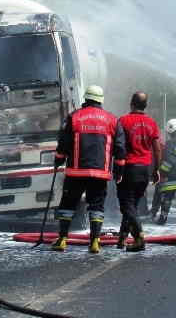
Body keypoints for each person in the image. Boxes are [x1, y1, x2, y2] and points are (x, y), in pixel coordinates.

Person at [51, 85, 126, 254]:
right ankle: (94, 242)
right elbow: (120, 148)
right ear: (101, 100)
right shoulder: (113, 120)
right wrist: (119, 171)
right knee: (97, 206)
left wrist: (58, 160)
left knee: (68, 204)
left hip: (76, 172)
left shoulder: (74, 117)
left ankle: (62, 239)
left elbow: (63, 143)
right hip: (100, 173)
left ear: (86, 98)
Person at [116, 92, 162, 252]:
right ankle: (122, 238)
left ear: (131, 104)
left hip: (129, 168)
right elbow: (157, 149)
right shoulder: (152, 123)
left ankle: (139, 238)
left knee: (126, 205)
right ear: (145, 106)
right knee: (132, 205)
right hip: (145, 169)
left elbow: (119, 145)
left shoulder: (123, 120)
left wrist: (116, 168)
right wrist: (156, 169)